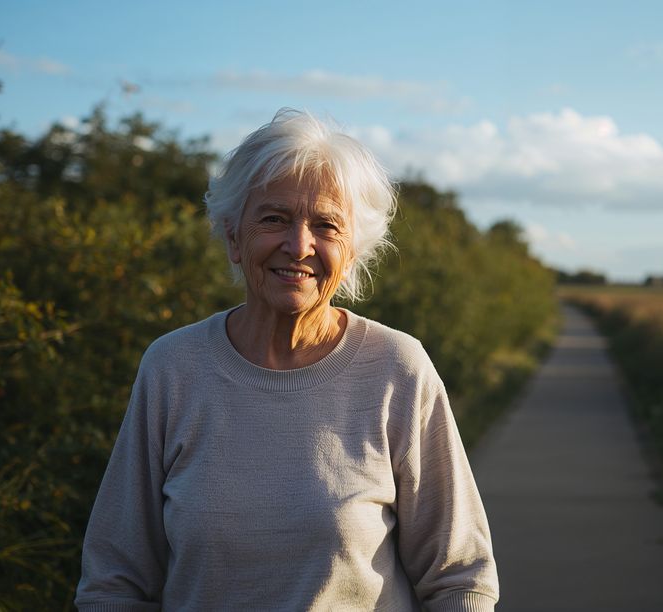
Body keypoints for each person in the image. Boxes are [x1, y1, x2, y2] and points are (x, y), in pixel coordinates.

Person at [75, 109, 499, 611]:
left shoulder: (396, 368)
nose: (299, 245)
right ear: (233, 237)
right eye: (274, 218)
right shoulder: (173, 368)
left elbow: (459, 578)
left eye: (326, 225)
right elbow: (114, 580)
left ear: (353, 251)